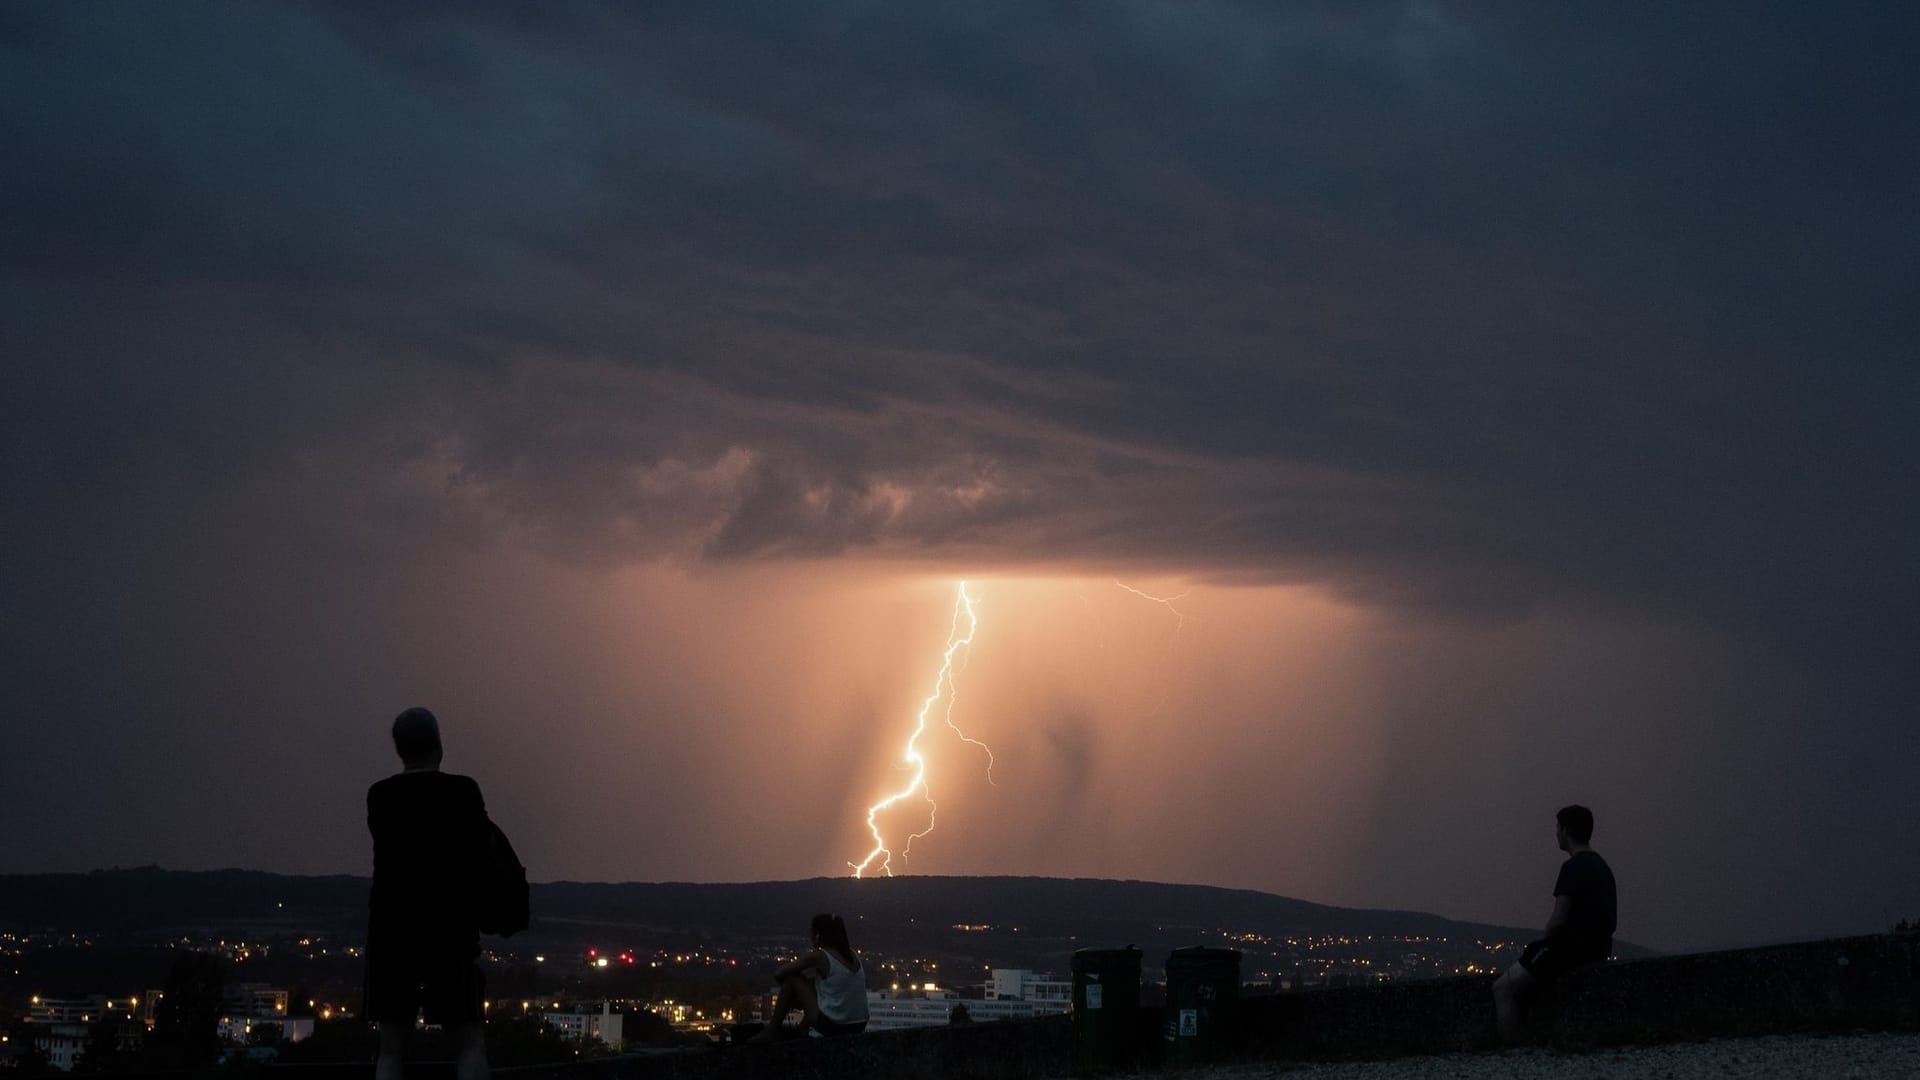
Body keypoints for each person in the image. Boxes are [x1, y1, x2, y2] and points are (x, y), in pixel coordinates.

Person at [364, 707, 493, 1080]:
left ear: (400, 749)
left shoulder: (380, 796)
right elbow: (482, 850)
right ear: (439, 745)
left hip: (391, 932)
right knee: (469, 1042)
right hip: (450, 932)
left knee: (390, 1048)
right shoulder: (463, 792)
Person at [1492, 804, 1617, 1041]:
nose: (1556, 833)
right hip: (1599, 949)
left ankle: (1509, 1052)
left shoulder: (1572, 867)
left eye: (1558, 828)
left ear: (1566, 831)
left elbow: (1558, 919)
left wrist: (1541, 943)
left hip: (1569, 951)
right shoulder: (1602, 866)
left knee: (1502, 988)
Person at [755, 913, 869, 1040]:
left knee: (792, 979)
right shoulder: (853, 955)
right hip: (859, 1025)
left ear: (818, 934)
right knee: (816, 984)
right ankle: (802, 1030)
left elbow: (779, 974)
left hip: (836, 1027)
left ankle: (772, 1029)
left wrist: (793, 997)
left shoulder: (819, 956)